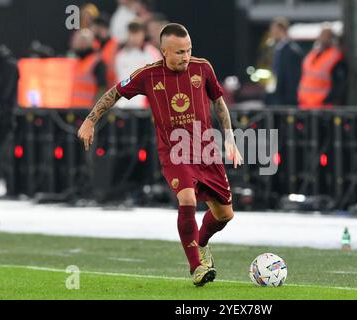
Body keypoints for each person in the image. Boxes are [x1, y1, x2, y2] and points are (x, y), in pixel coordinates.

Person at [78, 23, 242, 286]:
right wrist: (90, 120)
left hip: (206, 150)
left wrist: (230, 136)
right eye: (179, 52)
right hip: (175, 152)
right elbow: (114, 93)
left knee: (225, 215)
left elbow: (218, 101)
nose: (185, 57)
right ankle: (196, 268)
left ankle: (200, 243)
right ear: (164, 51)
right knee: (187, 199)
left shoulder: (203, 68)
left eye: (188, 50)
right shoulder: (148, 75)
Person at [297, 27, 347, 109]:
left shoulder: (335, 57)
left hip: (323, 107)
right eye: (322, 35)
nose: (322, 38)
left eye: (326, 36)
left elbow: (339, 85)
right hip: (305, 104)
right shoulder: (313, 55)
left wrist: (329, 101)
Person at [114, 20, 156, 109]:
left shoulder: (152, 53)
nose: (133, 37)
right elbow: (118, 80)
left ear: (143, 34)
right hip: (123, 105)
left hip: (145, 106)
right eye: (131, 33)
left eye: (137, 33)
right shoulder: (120, 55)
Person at [268, 18, 303, 106]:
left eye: (274, 30)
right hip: (278, 98)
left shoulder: (291, 51)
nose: (272, 33)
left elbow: (292, 78)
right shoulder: (279, 49)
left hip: (286, 100)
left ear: (281, 30)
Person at [69, 29, 107, 107]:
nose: (78, 43)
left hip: (88, 112)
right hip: (74, 110)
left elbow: (102, 88)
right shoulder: (77, 61)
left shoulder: (97, 62)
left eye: (82, 40)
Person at [0, 45, 18, 181]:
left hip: (5, 114)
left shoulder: (8, 66)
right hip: (6, 113)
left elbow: (7, 93)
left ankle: (10, 183)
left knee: (6, 151)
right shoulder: (11, 64)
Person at [91, 14, 120, 88]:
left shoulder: (116, 44)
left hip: (112, 85)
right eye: (98, 26)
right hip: (95, 85)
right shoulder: (93, 44)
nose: (100, 29)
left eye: (102, 27)